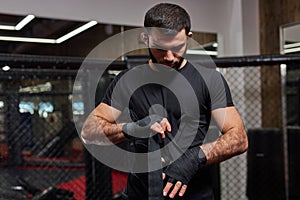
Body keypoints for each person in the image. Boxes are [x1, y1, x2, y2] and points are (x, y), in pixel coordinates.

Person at [81, 3, 248, 200]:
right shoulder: (128, 81)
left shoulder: (209, 80)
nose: (169, 57)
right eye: (160, 48)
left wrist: (193, 158)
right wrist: (131, 128)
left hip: (194, 193)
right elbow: (88, 131)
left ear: (189, 38)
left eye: (177, 47)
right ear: (145, 38)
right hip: (140, 193)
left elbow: (239, 138)